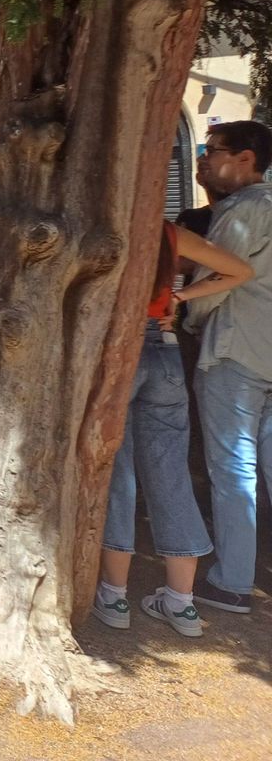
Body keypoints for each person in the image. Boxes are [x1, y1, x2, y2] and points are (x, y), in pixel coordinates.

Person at [91, 222, 251, 638]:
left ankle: (114, 595)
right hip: (162, 348)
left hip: (112, 347)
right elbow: (240, 270)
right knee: (171, 474)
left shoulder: (97, 222)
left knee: (116, 473)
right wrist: (178, 297)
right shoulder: (166, 232)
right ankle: (181, 602)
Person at [189, 119, 272, 616]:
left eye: (213, 149)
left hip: (235, 350)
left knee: (233, 468)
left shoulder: (244, 210)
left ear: (246, 159)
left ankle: (233, 581)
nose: (204, 159)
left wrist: (185, 313)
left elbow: (214, 279)